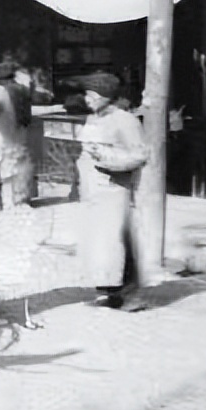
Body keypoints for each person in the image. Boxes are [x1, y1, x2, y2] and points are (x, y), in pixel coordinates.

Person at [74, 72, 153, 311]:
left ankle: (130, 295)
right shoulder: (94, 119)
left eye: (91, 94)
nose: (86, 99)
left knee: (118, 242)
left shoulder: (125, 120)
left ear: (104, 96)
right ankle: (105, 291)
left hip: (115, 189)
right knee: (100, 245)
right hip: (93, 190)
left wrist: (107, 159)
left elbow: (140, 155)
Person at [0, 62, 36, 207]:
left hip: (2, 139)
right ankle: (22, 202)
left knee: (4, 178)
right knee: (19, 175)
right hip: (20, 139)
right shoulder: (21, 91)